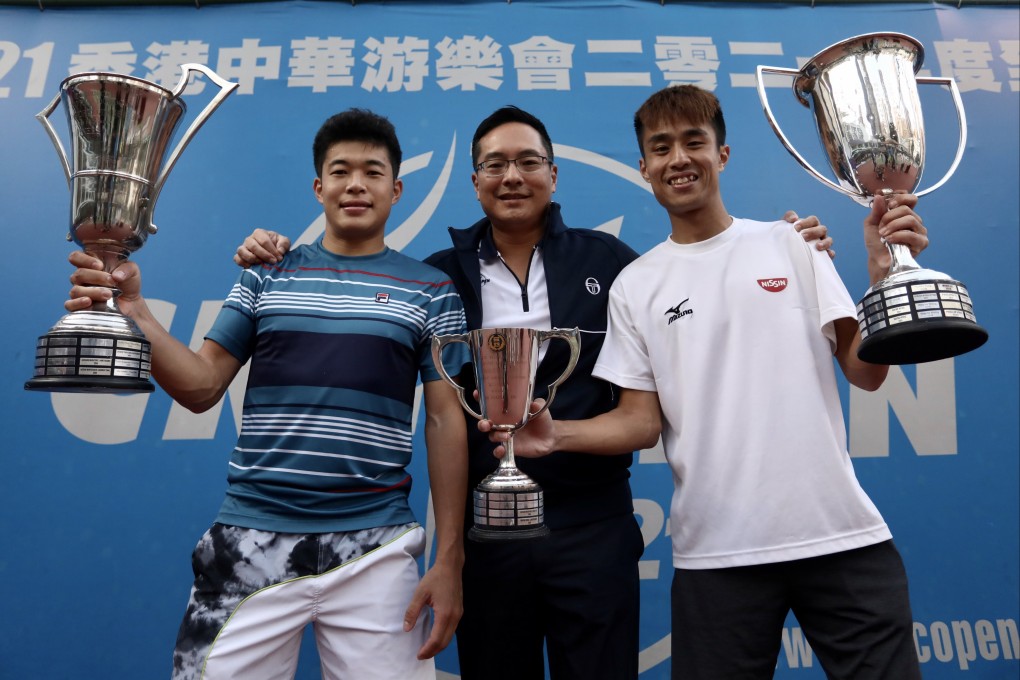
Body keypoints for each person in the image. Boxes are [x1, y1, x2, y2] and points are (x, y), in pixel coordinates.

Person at [233, 105, 835, 680]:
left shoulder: (612, 263)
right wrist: (274, 253)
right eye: (495, 164)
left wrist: (779, 247)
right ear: (475, 182)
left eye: (528, 161)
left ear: (553, 173)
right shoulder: (438, 278)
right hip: (488, 538)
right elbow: (374, 338)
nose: (512, 176)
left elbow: (691, 302)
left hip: (594, 530)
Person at [485, 85, 930, 679]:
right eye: (661, 147)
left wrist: (881, 274)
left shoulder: (793, 243)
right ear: (644, 167)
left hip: (841, 539)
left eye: (694, 142)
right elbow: (641, 422)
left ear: (722, 154)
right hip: (717, 556)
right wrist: (555, 434)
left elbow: (866, 372)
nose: (678, 159)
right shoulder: (636, 284)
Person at [64, 109, 470, 680]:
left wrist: (449, 560)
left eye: (372, 172)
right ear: (318, 188)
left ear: (396, 190)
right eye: (340, 171)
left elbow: (446, 423)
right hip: (249, 543)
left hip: (376, 549)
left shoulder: (432, 290)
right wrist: (133, 310)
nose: (356, 184)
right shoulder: (267, 273)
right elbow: (201, 386)